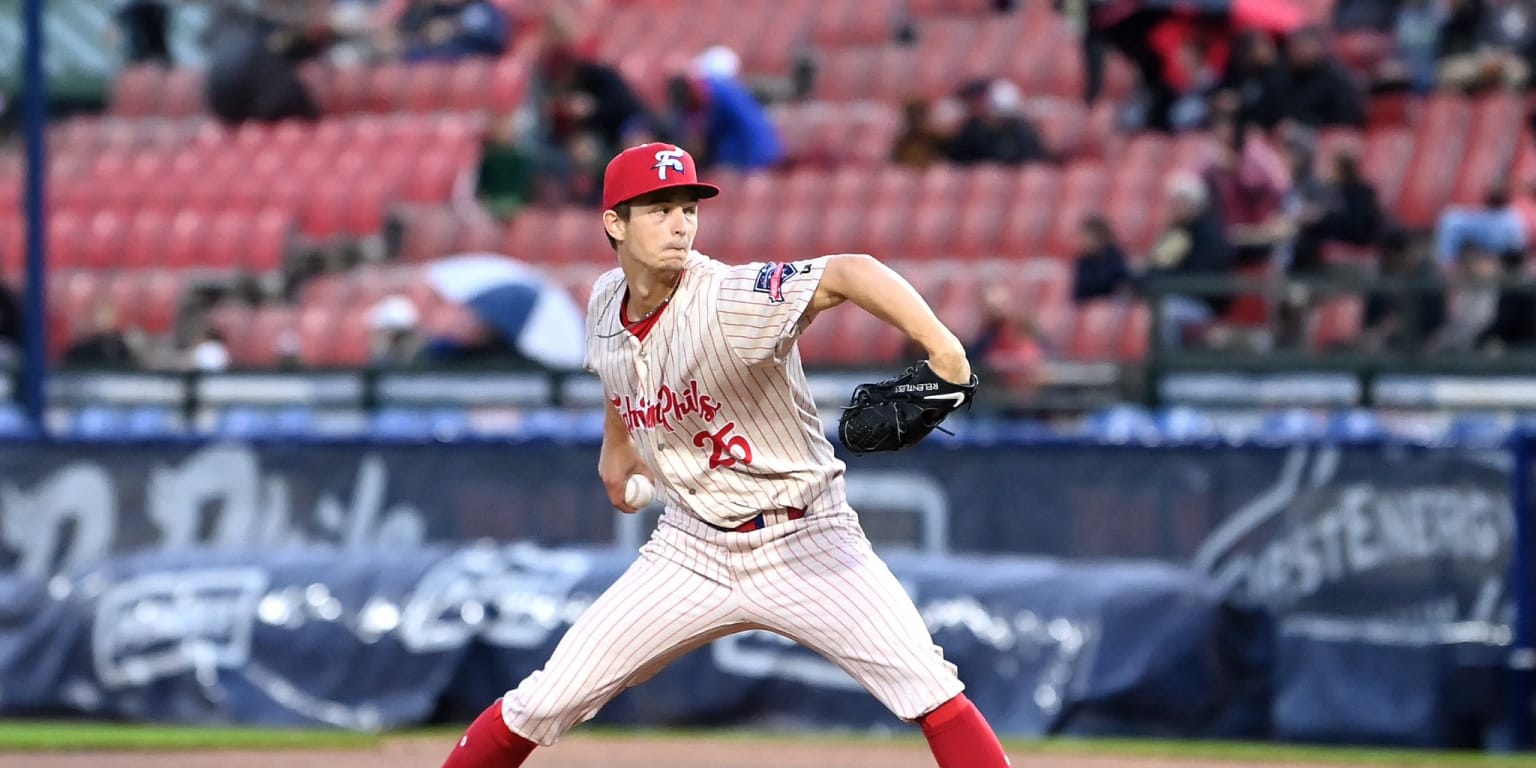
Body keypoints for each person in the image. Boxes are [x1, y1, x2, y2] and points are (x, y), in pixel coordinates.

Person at [439, 143, 1011, 768]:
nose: (680, 223)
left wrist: (946, 352)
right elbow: (618, 373)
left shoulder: (731, 300)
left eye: (688, 207)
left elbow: (853, 271)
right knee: (545, 700)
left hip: (808, 540)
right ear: (615, 223)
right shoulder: (606, 300)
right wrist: (618, 446)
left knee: (931, 689)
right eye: (658, 209)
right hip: (690, 550)